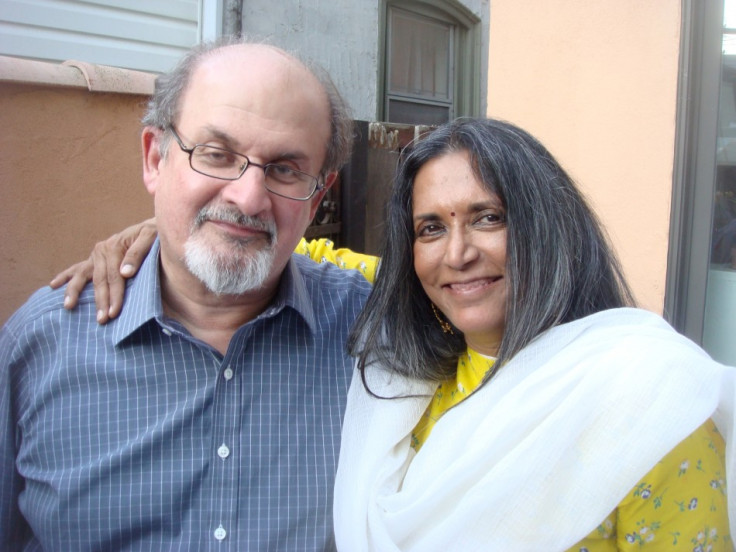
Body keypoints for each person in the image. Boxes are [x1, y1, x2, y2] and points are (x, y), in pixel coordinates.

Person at [57, 118, 736, 550]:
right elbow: (279, 253)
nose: (457, 253)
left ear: (547, 225)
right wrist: (157, 238)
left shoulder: (646, 400)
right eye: (430, 227)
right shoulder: (411, 366)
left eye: (489, 217)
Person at [0, 37, 378, 551]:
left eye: (285, 169)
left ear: (317, 196)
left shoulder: (373, 334)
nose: (247, 196)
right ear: (156, 158)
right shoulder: (41, 347)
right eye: (216, 155)